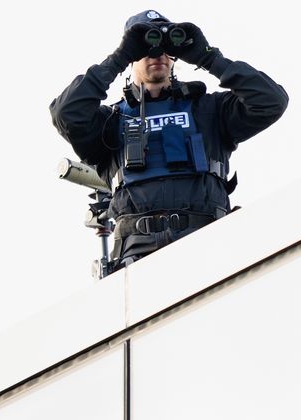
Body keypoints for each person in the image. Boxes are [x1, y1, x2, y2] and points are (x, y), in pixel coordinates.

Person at [50, 10, 288, 269]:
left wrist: (209, 57)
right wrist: (118, 58)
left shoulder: (208, 110)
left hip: (209, 244)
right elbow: (66, 112)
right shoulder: (110, 122)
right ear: (132, 57)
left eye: (166, 49)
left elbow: (271, 101)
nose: (158, 55)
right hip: (137, 255)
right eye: (147, 48)